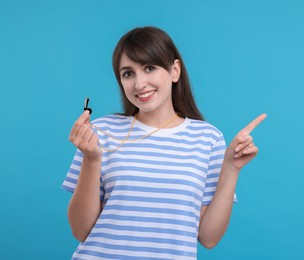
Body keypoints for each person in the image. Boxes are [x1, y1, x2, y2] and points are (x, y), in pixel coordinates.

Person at [62, 26, 266, 259]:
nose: (139, 84)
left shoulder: (208, 139)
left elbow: (208, 238)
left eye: (149, 68)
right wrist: (91, 158)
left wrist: (231, 168)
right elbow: (80, 231)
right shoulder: (101, 132)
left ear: (174, 71)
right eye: (128, 73)